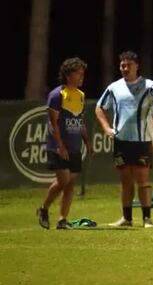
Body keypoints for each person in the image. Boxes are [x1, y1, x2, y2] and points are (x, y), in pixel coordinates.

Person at [95, 51, 153, 228]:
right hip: (121, 141)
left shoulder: (149, 85)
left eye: (128, 65)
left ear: (137, 66)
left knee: (142, 178)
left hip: (141, 141)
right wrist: (107, 128)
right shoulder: (114, 87)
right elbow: (99, 108)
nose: (124, 68)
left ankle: (147, 218)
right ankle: (127, 218)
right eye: (122, 65)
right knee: (125, 180)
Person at [37, 57, 92, 229]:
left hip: (75, 147)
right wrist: (60, 146)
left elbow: (80, 121)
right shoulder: (56, 95)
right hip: (58, 147)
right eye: (78, 73)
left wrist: (87, 142)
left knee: (70, 183)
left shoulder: (80, 95)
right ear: (68, 75)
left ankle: (62, 220)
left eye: (83, 74)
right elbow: (53, 124)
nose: (81, 77)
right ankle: (44, 208)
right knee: (64, 180)